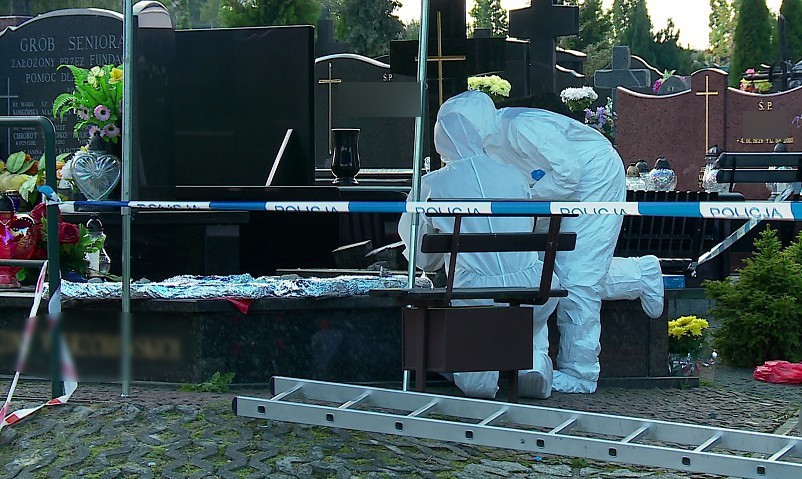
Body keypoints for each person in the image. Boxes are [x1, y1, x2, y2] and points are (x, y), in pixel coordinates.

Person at [437, 91, 663, 394]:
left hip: (594, 179)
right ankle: (640, 275)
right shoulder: (487, 148)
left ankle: (581, 372)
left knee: (578, 278)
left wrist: (525, 200)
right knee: (547, 269)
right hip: (550, 192)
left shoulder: (520, 127)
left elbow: (569, 174)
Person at [397, 99, 560, 400]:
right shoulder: (514, 175)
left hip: (473, 296)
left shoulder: (430, 186)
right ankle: (532, 361)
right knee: (528, 318)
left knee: (476, 385)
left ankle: (490, 370)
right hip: (534, 290)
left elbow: (424, 260)